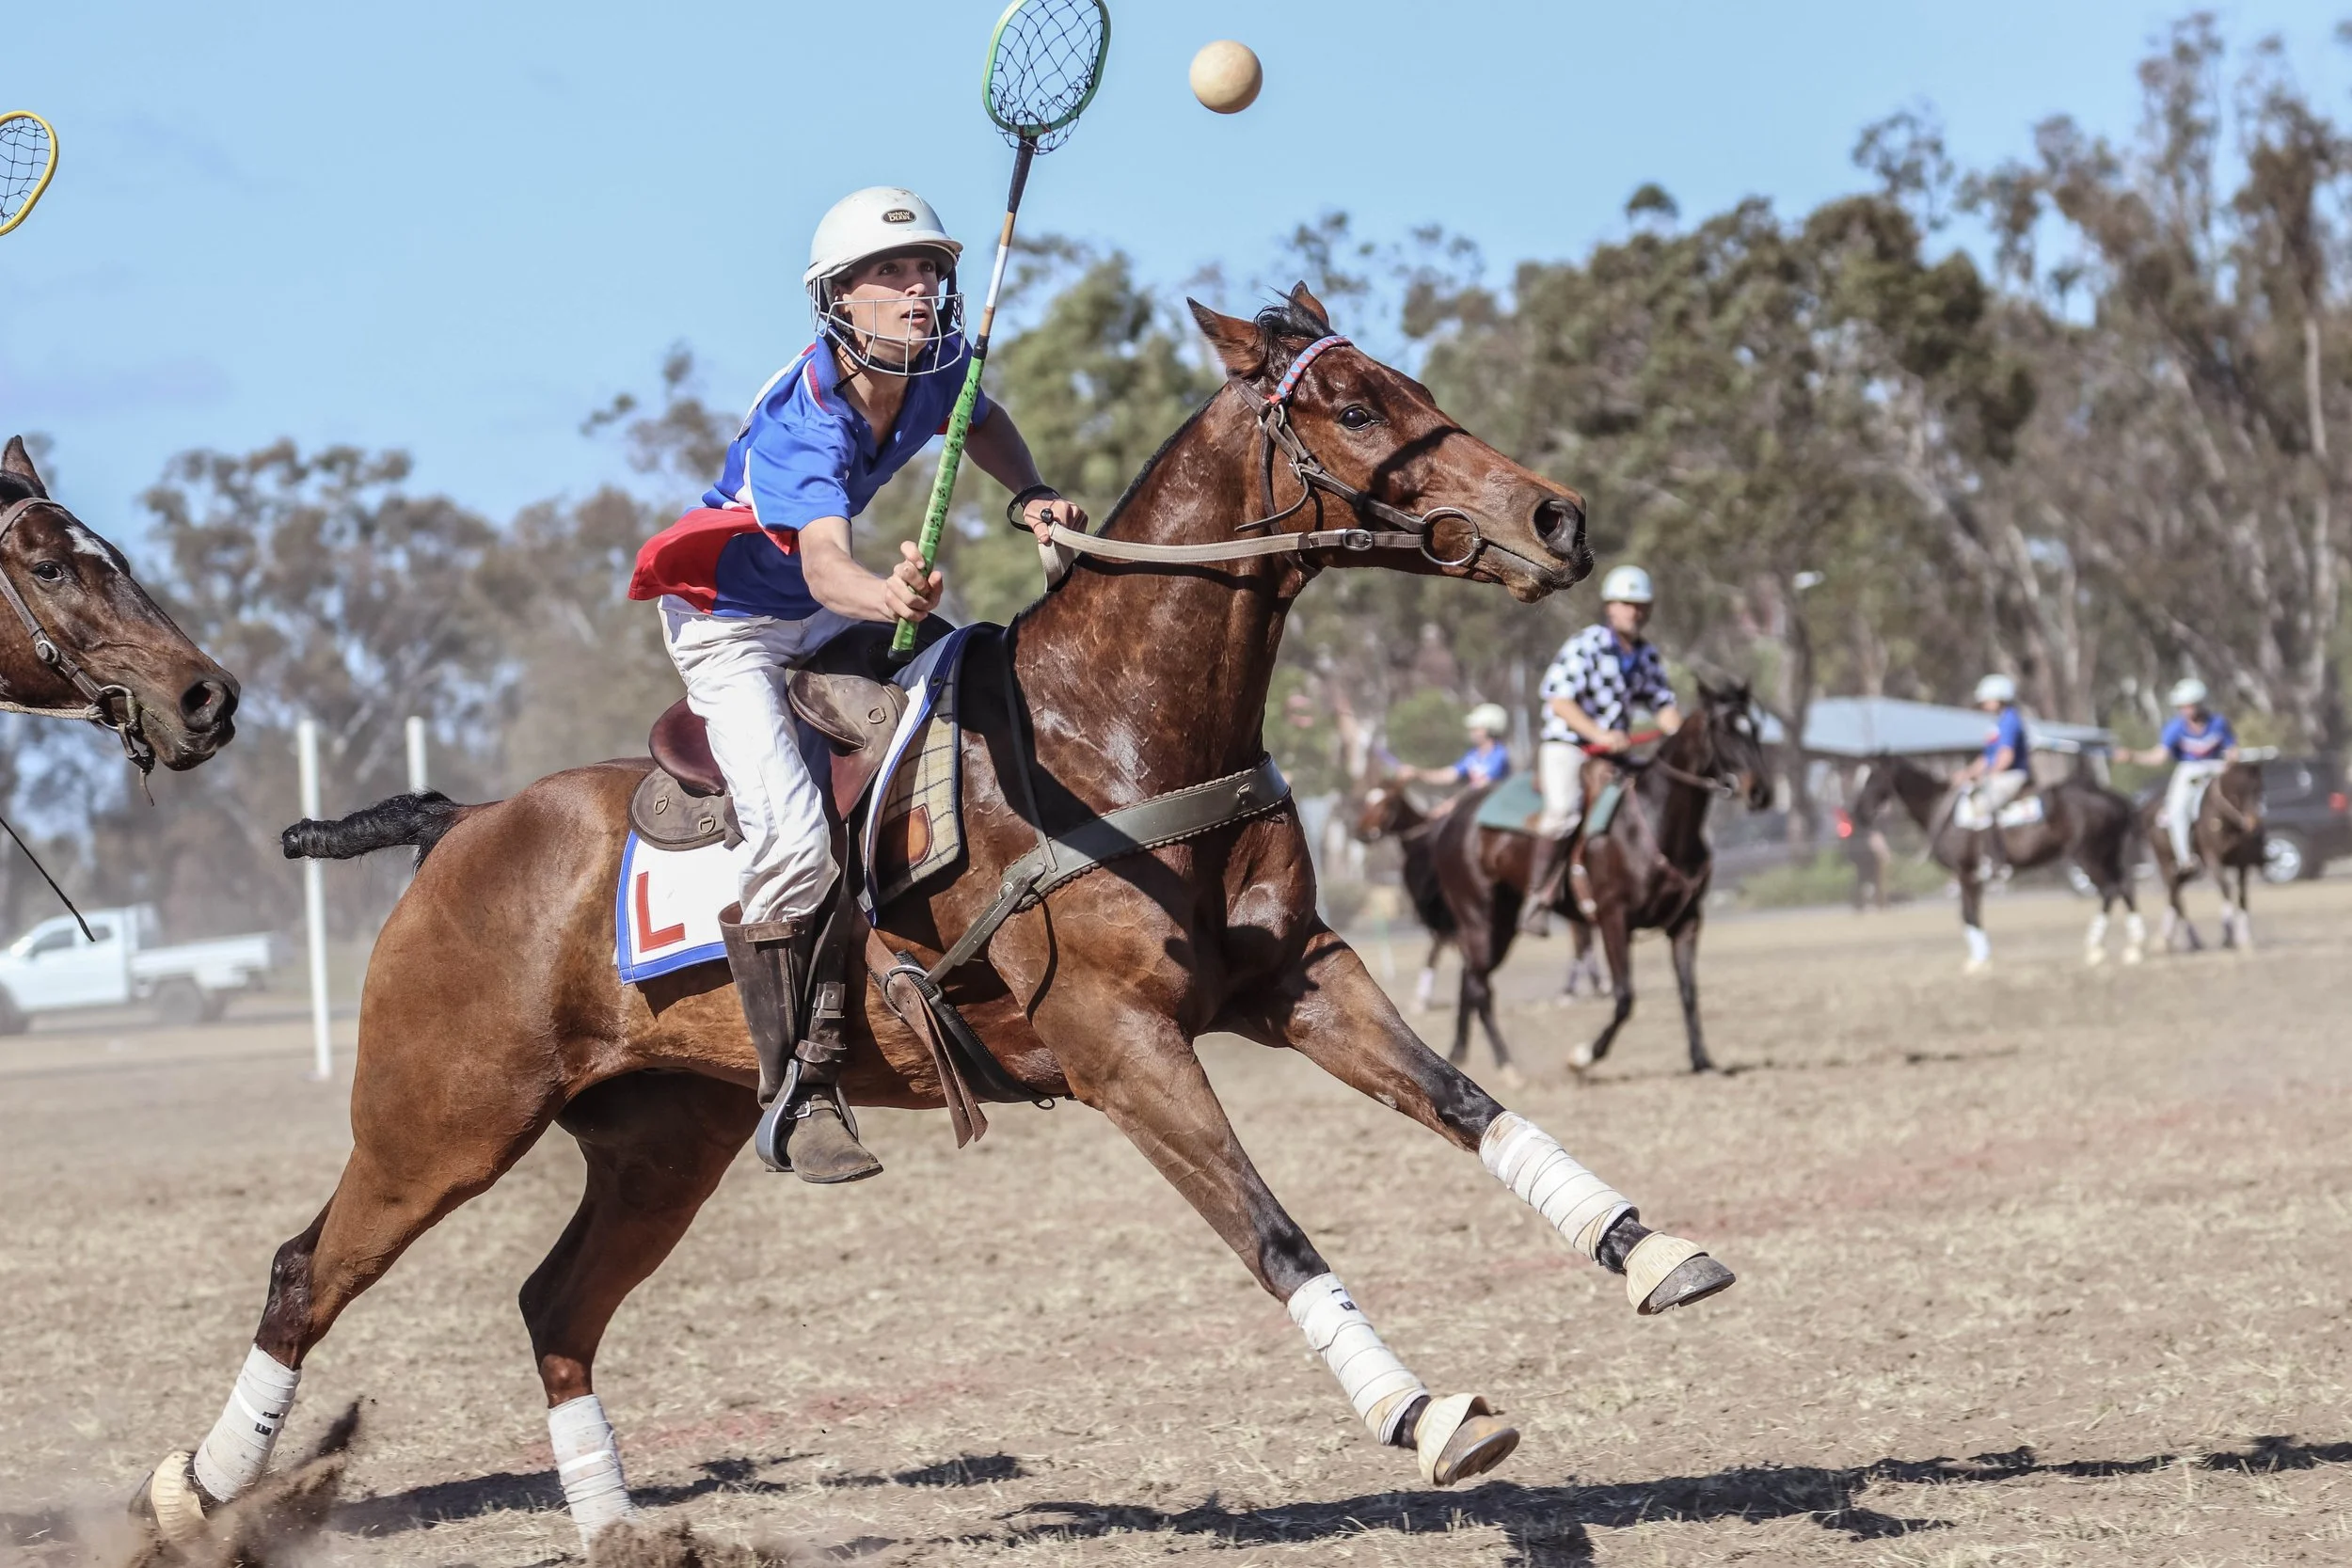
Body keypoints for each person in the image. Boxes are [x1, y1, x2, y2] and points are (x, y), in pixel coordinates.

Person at [628, 186, 1087, 1183]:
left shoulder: (931, 368)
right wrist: (882, 596)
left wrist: (1033, 491)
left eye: (929, 269)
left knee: (974, 684)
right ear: (839, 298)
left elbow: (982, 413)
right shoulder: (804, 422)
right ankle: (796, 1087)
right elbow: (828, 562)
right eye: (892, 273)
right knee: (794, 844)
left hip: (827, 605)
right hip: (734, 626)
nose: (919, 288)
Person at [1523, 565, 1681, 935]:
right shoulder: (1587, 644)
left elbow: (1664, 705)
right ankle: (1536, 898)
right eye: (1628, 604)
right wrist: (1599, 732)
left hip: (1613, 754)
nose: (1636, 611)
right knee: (1562, 812)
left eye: (1642, 605)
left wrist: (1680, 731)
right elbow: (1558, 700)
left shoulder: (1646, 655)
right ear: (1611, 607)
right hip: (1570, 745)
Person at [2127, 677, 2240, 867]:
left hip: (2216, 768)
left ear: (2200, 704)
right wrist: (2132, 756)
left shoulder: (2219, 723)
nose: (2185, 711)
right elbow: (2159, 757)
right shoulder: (2175, 728)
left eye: (2189, 706)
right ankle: (2185, 858)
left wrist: (2230, 765)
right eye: (2182, 707)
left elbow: (2232, 752)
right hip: (2189, 771)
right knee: (2176, 810)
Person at [1954, 673, 2032, 873]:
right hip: (1999, 774)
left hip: (2012, 775)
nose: (1983, 704)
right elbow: (1987, 757)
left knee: (1980, 806)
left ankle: (1996, 860)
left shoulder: (2009, 720)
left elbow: (2005, 757)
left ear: (2000, 698)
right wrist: (1966, 774)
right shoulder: (1997, 723)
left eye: (1987, 699)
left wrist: (1986, 775)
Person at [1392, 704, 1514, 789]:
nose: (1471, 731)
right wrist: (1417, 773)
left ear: (1489, 729)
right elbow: (1449, 775)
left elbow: (1482, 786)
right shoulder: (1473, 755)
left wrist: (1452, 804)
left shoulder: (1499, 755)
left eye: (1476, 728)